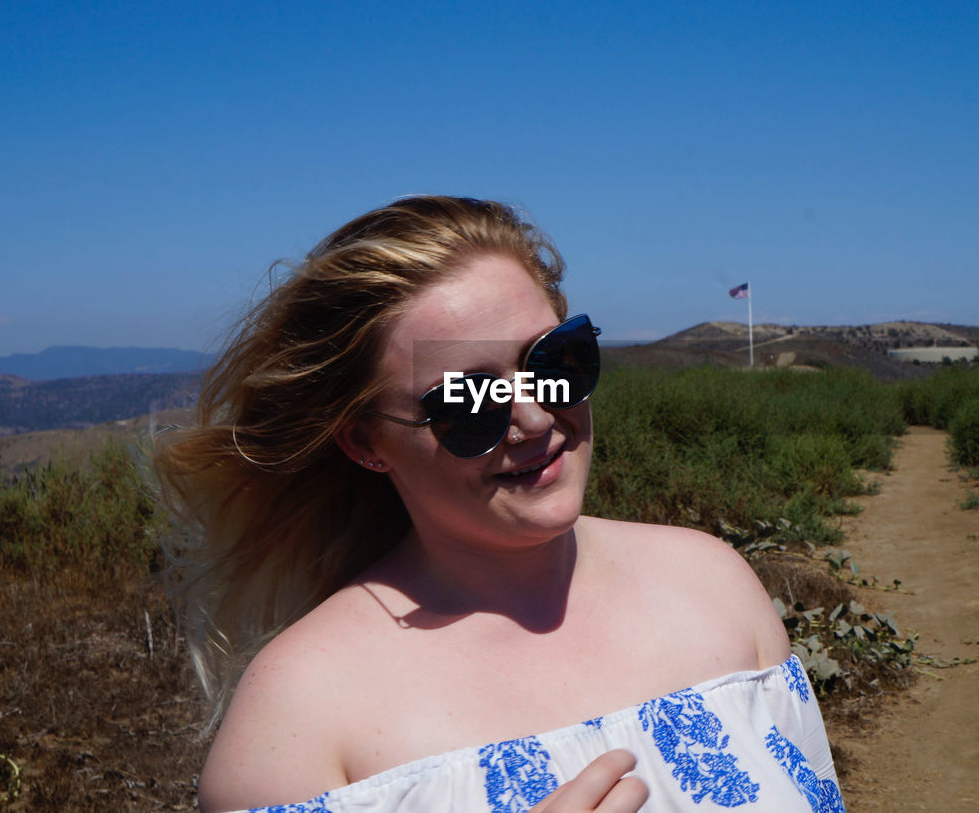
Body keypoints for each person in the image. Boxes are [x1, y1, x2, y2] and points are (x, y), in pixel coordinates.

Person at [155, 196, 844, 813]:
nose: (538, 419)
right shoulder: (300, 720)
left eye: (557, 362)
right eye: (467, 400)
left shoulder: (713, 584)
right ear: (366, 442)